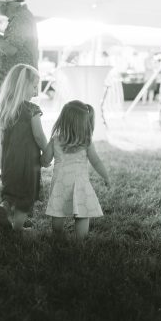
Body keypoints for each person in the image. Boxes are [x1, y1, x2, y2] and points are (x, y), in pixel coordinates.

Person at [41, 100, 110, 239]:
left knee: (58, 210)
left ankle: (58, 234)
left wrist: (42, 159)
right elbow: (96, 161)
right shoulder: (86, 141)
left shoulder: (56, 139)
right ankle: (80, 240)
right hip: (80, 183)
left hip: (60, 183)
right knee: (82, 212)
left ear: (63, 120)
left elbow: (45, 160)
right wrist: (106, 176)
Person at [0, 64, 47, 232]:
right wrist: (47, 151)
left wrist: (3, 164)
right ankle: (18, 229)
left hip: (9, 159)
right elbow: (38, 135)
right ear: (24, 86)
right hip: (28, 160)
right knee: (26, 194)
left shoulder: (6, 108)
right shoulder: (32, 109)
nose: (36, 92)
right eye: (34, 86)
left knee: (11, 190)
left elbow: (3, 140)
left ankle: (5, 205)